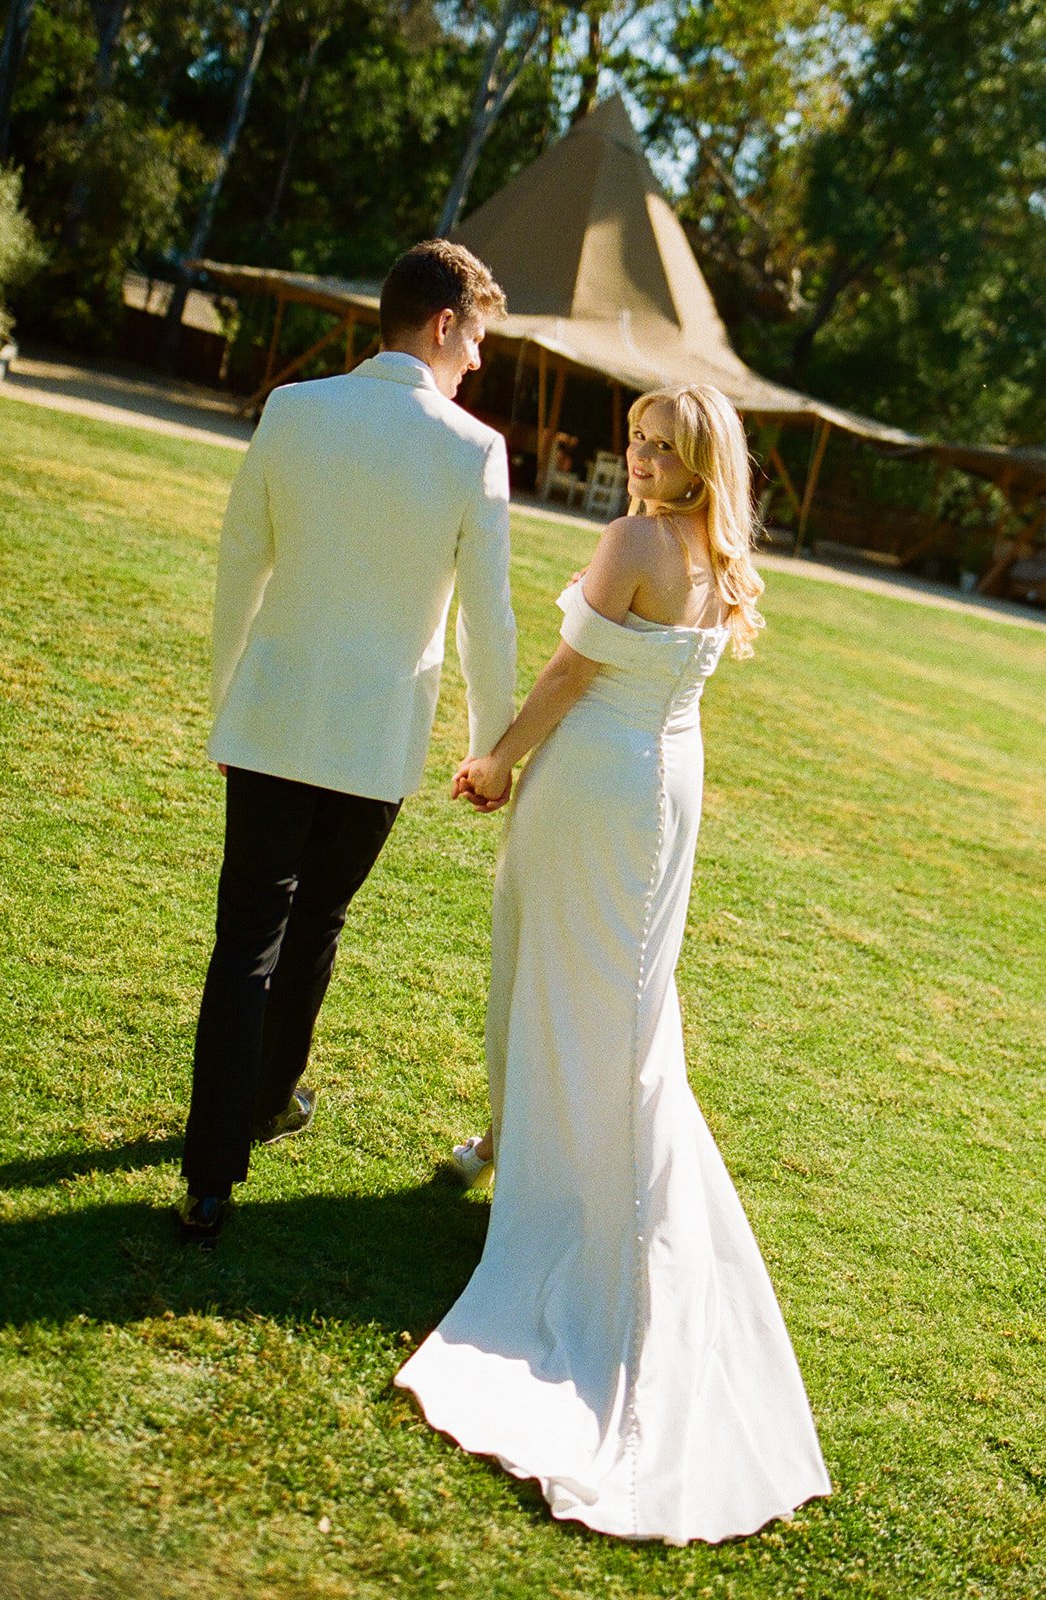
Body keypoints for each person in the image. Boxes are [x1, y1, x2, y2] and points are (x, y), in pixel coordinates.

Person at [395, 384, 831, 1542]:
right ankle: (523, 1143)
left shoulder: (637, 540)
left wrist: (492, 760)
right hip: (667, 787)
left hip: (593, 781)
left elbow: (566, 675)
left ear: (700, 464)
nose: (637, 461)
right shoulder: (715, 553)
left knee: (562, 978)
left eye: (661, 449)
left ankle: (562, 1179)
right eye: (635, 442)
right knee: (624, 1001)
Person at [177, 240, 518, 1243]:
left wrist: (225, 705)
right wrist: (490, 745)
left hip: (275, 713)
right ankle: (268, 1102)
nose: (480, 366)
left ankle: (209, 1176)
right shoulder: (472, 450)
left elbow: (240, 565)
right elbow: (484, 620)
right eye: (479, 342)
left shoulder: (293, 409)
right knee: (313, 922)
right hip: (375, 737)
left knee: (247, 939)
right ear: (444, 325)